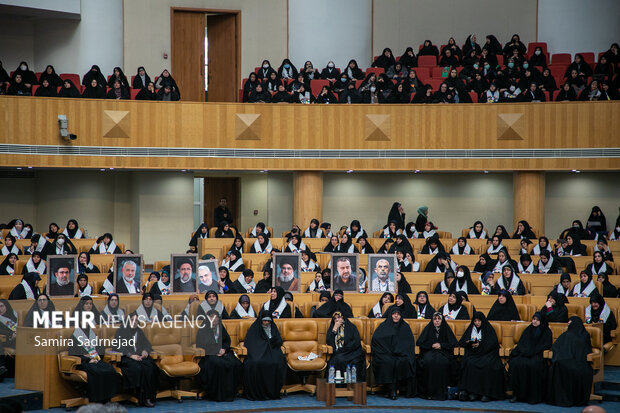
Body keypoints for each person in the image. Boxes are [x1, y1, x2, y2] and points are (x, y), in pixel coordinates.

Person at [196, 310, 242, 402]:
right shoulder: (203, 328)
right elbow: (201, 344)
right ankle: (216, 393)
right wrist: (215, 350)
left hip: (223, 351)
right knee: (217, 364)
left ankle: (230, 392)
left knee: (234, 363)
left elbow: (227, 340)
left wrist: (224, 349)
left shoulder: (220, 327)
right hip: (209, 354)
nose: (214, 319)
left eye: (216, 317)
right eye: (211, 317)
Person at [371, 307, 416, 399]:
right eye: (394, 314)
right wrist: (388, 352)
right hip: (385, 354)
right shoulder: (383, 326)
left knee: (401, 361)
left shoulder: (405, 326)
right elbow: (376, 341)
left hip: (401, 354)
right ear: (390, 315)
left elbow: (409, 343)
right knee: (387, 362)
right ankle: (391, 389)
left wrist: (398, 351)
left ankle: (391, 390)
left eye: (398, 314)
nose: (396, 316)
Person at [68, 321, 119, 403]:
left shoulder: (92, 334)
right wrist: (87, 358)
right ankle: (98, 399)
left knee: (110, 369)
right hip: (82, 363)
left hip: (95, 359)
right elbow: (73, 353)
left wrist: (96, 356)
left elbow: (101, 348)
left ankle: (107, 398)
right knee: (97, 372)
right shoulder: (75, 336)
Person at [547, 317, 593, 407]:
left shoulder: (584, 335)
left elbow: (584, 350)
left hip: (579, 361)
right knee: (558, 365)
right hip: (564, 359)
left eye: (570, 323)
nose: (568, 324)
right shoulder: (566, 334)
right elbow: (556, 346)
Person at [458, 311, 504, 402]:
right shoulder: (471, 328)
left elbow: (492, 344)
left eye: (479, 321)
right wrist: (470, 344)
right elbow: (462, 341)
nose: (477, 323)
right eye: (475, 321)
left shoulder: (488, 328)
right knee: (469, 363)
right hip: (473, 353)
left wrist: (480, 345)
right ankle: (472, 392)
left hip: (487, 353)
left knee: (487, 365)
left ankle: (486, 393)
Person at [113, 314, 158, 407]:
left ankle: (149, 397)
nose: (134, 322)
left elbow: (147, 344)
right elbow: (117, 347)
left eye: (136, 320)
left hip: (139, 356)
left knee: (151, 366)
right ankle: (142, 397)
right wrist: (131, 355)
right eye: (132, 320)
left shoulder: (139, 331)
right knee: (138, 368)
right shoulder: (121, 331)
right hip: (126, 357)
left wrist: (145, 350)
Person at [507, 312, 552, 404]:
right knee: (516, 363)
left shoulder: (546, 331)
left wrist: (533, 351)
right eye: (534, 319)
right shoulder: (528, 329)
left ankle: (532, 396)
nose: (534, 321)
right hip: (525, 353)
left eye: (537, 320)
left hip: (537, 354)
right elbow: (522, 343)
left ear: (541, 321)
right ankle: (517, 394)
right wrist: (526, 351)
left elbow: (546, 345)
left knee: (534, 365)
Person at [242, 312, 287, 400]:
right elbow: (250, 342)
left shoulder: (273, 327)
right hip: (258, 352)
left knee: (278, 362)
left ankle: (273, 391)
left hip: (272, 351)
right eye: (264, 321)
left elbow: (278, 341)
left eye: (268, 321)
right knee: (255, 363)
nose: (266, 323)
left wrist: (272, 341)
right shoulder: (255, 328)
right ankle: (258, 392)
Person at [416, 312, 457, 400]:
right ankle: (428, 392)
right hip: (430, 352)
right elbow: (420, 342)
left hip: (443, 352)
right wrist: (432, 345)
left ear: (442, 321)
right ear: (432, 320)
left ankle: (443, 392)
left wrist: (441, 345)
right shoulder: (428, 328)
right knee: (428, 362)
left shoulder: (446, 329)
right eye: (435, 319)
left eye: (439, 319)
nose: (437, 321)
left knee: (443, 362)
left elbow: (453, 343)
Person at [326, 311, 365, 381]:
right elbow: (329, 341)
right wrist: (335, 328)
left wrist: (344, 350)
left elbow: (356, 342)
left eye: (339, 317)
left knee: (350, 361)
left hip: (352, 352)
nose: (337, 320)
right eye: (335, 319)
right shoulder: (333, 328)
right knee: (335, 361)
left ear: (343, 318)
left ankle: (352, 384)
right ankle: (337, 385)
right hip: (339, 353)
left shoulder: (351, 327)